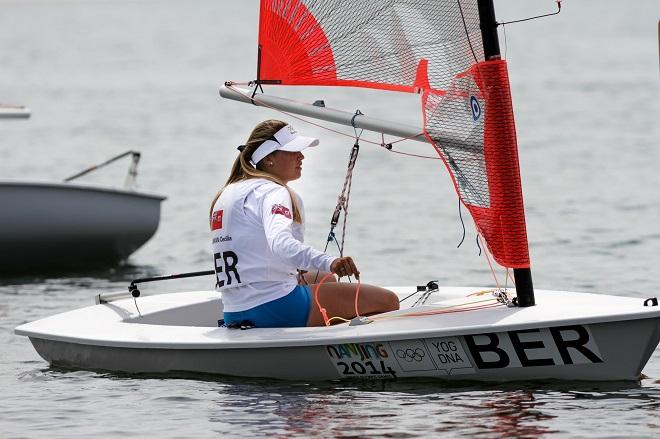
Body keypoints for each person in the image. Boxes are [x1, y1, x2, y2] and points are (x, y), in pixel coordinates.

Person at [210, 119, 399, 328]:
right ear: (269, 158)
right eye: (293, 151)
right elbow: (280, 244)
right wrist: (330, 261)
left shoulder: (228, 192)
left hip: (234, 310)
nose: (302, 156)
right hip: (274, 308)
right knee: (388, 301)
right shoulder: (274, 192)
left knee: (326, 279)